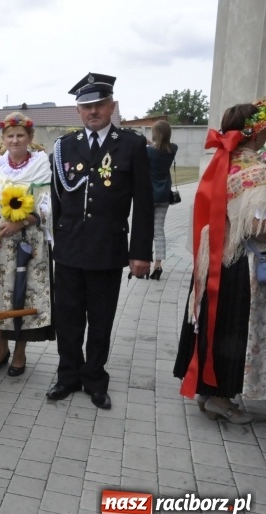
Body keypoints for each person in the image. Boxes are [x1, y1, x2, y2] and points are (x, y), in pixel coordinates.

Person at [47, 73, 153, 410]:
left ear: (112, 106)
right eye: (86, 106)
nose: (93, 111)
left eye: (99, 105)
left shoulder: (132, 144)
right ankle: (67, 376)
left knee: (102, 318)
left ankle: (94, 378)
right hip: (68, 248)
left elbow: (144, 202)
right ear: (78, 111)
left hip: (107, 248)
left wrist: (140, 253)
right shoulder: (65, 146)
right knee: (68, 317)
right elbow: (56, 198)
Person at [173, 100, 266, 424]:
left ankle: (208, 390)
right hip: (240, 261)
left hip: (214, 258)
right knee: (231, 328)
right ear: (257, 131)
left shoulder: (222, 162)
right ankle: (220, 396)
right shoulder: (255, 170)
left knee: (214, 322)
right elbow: (257, 225)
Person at [0, 113, 55, 376]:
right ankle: (1, 349)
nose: (15, 140)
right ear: (3, 139)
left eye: (20, 135)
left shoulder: (41, 163)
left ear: (30, 138)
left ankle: (20, 352)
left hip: (26, 240)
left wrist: (20, 223)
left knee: (22, 295)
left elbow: (46, 206)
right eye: (10, 135)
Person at [147, 120, 178, 280]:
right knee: (159, 230)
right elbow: (160, 146)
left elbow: (151, 149)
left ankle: (145, 262)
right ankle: (158, 264)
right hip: (164, 194)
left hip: (149, 195)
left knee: (146, 230)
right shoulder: (173, 149)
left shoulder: (148, 151)